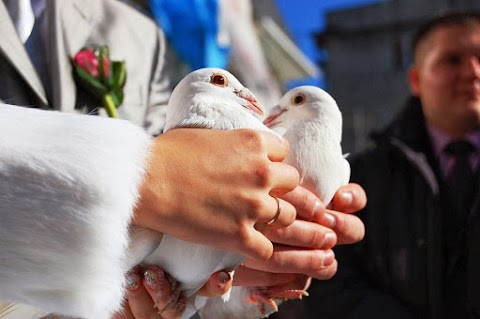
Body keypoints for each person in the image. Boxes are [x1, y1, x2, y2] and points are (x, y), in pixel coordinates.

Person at [0, 1, 367, 318]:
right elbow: (171, 165)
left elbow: (176, 140)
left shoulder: (139, 34)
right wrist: (149, 176)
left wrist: (233, 247)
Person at [303, 11, 480, 319]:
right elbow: (330, 280)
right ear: (416, 79)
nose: (473, 72)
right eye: (452, 60)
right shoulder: (360, 180)